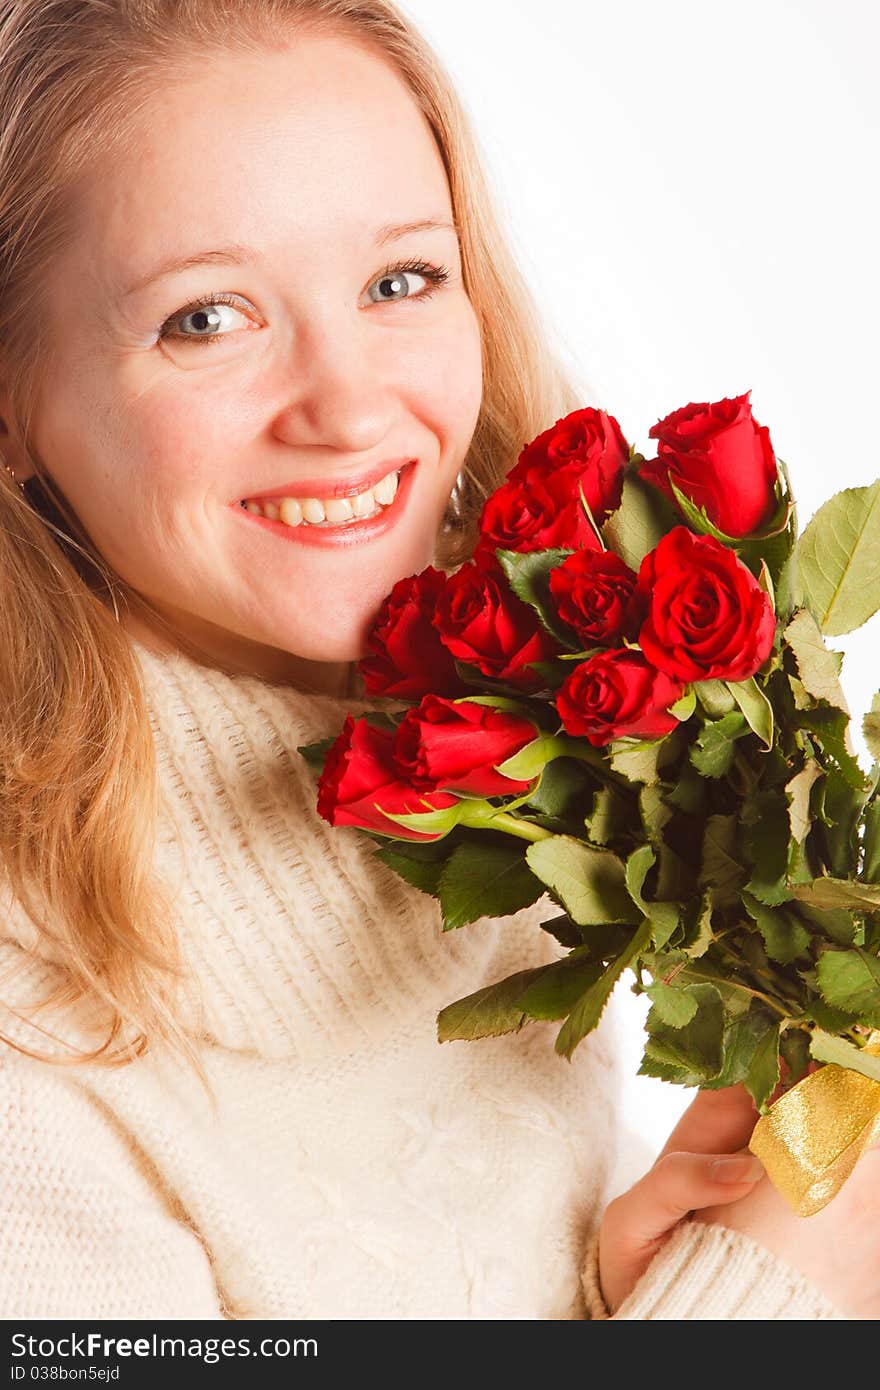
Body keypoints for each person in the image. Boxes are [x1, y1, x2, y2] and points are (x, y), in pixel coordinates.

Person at [0, 0, 873, 1320]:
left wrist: (596, 1281)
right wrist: (758, 1305)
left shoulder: (507, 767)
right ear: (16, 399)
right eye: (206, 318)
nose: (350, 406)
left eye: (400, 279)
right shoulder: (27, 1023)